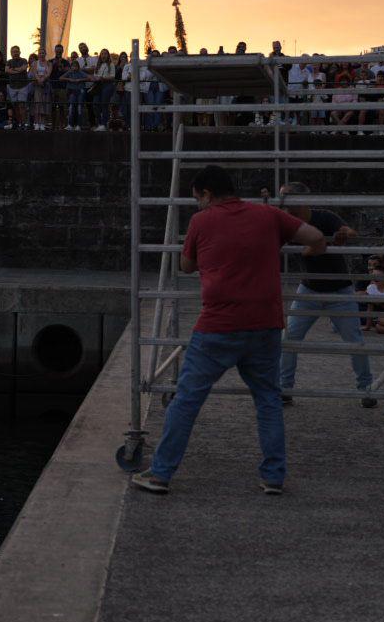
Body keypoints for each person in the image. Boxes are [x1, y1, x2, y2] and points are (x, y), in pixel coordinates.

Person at [130, 165, 326, 497]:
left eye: (197, 199)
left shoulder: (201, 222)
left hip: (219, 327)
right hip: (265, 324)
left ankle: (161, 474)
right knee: (268, 400)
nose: (197, 205)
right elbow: (317, 238)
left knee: (187, 400)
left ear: (207, 194)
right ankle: (273, 477)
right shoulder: (268, 216)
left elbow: (186, 266)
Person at [277, 182, 374, 406]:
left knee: (355, 341)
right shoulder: (286, 222)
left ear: (301, 200)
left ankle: (366, 389)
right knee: (289, 339)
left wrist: (343, 234)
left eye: (286, 198)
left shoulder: (325, 217)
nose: (282, 203)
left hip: (339, 290)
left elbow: (350, 232)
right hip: (309, 289)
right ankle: (284, 388)